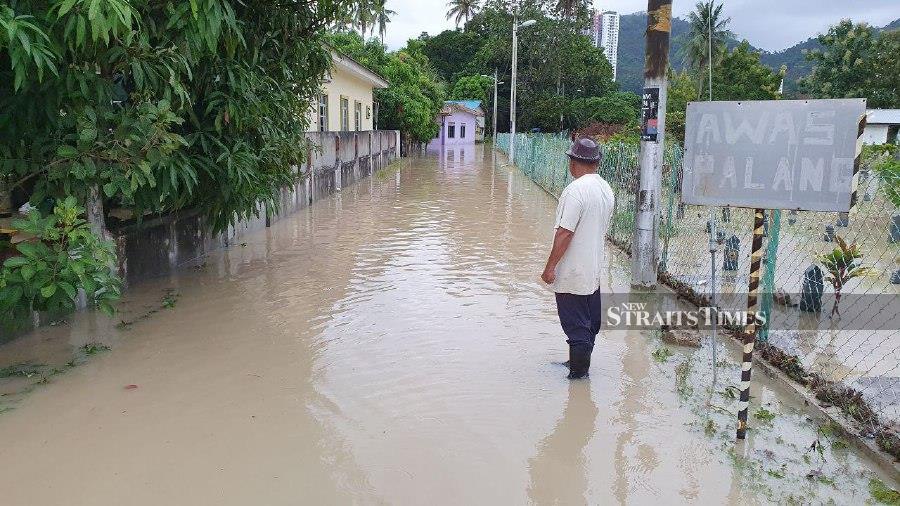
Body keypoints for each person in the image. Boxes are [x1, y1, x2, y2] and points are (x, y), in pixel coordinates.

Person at [541, 138, 614, 379]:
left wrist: (550, 267)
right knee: (590, 321)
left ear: (574, 162)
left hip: (573, 272)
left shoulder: (574, 191)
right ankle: (577, 362)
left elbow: (565, 232)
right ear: (596, 163)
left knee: (576, 326)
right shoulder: (605, 188)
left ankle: (578, 377)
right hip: (593, 270)